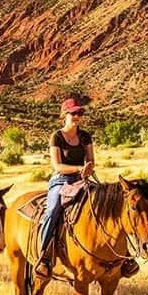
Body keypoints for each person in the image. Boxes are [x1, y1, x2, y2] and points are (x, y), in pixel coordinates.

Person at [36, 98, 94, 277]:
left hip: (82, 179)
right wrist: (78, 168)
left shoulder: (85, 136)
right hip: (61, 180)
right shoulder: (57, 136)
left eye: (80, 113)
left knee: (104, 203)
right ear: (65, 115)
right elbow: (57, 166)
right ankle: (44, 255)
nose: (77, 116)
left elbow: (91, 160)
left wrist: (88, 168)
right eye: (73, 113)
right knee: (53, 210)